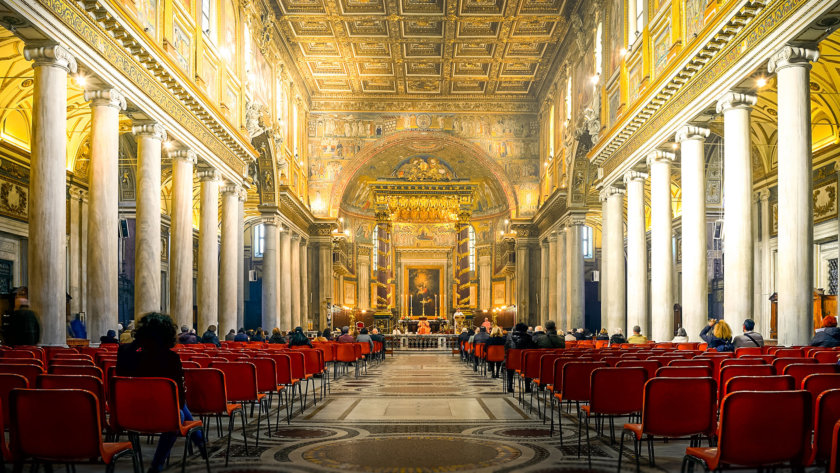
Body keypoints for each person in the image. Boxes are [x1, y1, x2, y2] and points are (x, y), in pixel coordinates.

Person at [116, 312, 205, 472]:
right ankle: (158, 464)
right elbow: (180, 398)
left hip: (127, 412)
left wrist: (141, 339)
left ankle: (200, 441)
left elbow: (125, 357)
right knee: (179, 413)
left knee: (177, 408)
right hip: (162, 415)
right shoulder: (170, 358)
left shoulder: (125, 355)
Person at [505, 323, 536, 393]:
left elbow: (506, 349)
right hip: (525, 362)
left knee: (510, 367)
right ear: (526, 329)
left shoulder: (509, 337)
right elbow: (532, 348)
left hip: (512, 362)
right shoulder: (528, 337)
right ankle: (527, 387)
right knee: (528, 365)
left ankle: (510, 386)